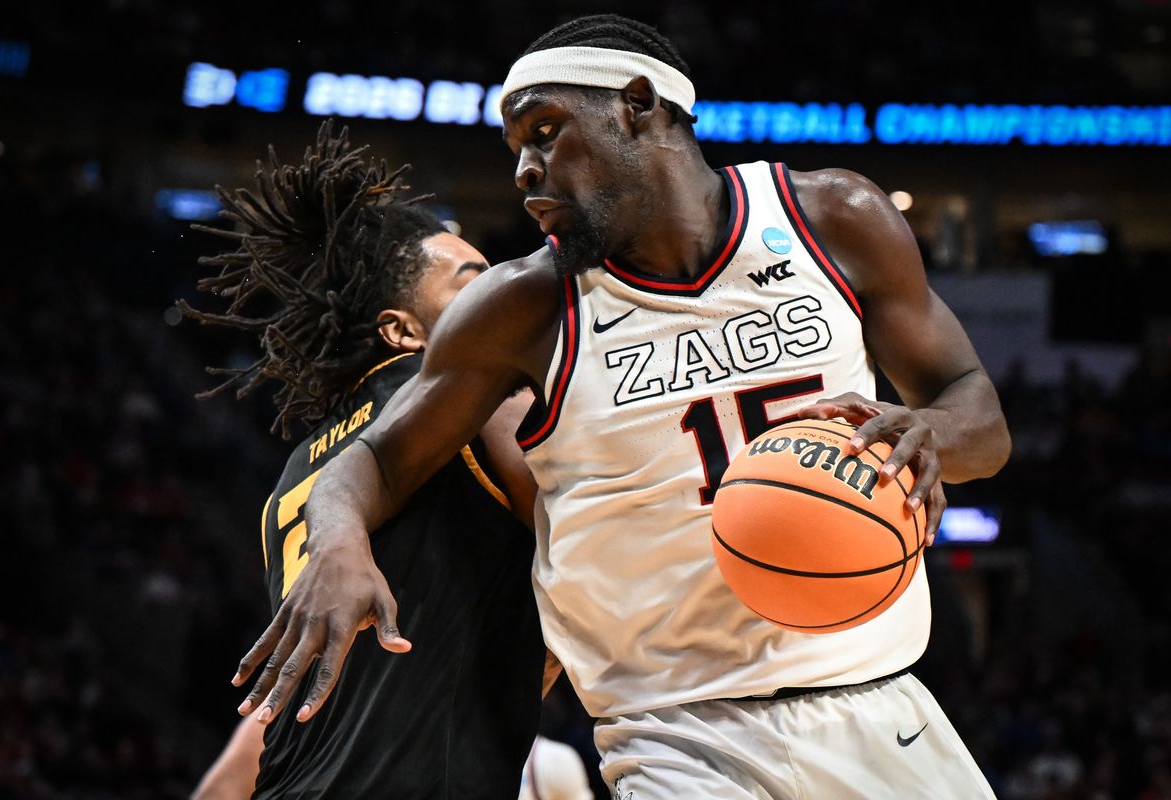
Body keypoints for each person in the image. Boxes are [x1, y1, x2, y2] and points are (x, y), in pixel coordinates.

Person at [231, 16, 1012, 798]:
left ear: (638, 102)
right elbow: (370, 460)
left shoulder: (832, 217)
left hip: (879, 701)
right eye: (517, 152)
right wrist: (338, 541)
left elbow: (979, 416)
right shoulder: (523, 307)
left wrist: (934, 431)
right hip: (676, 733)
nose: (526, 172)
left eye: (545, 133)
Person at [181, 121, 547, 798]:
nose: (502, 296)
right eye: (473, 282)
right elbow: (610, 549)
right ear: (401, 331)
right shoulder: (481, 400)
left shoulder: (296, 475)